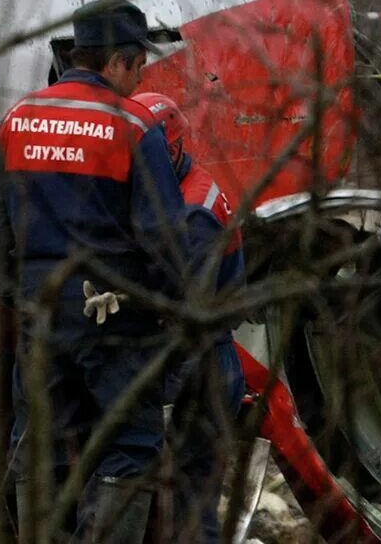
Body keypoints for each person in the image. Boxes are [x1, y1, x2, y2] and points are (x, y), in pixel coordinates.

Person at [0, 0, 188, 543]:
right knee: (133, 444)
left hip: (39, 308)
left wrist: (16, 294)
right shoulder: (134, 126)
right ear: (117, 62)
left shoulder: (19, 119)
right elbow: (162, 234)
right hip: (114, 313)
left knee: (39, 439)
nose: (142, 75)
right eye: (139, 63)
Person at [132, 91, 246, 542]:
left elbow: (186, 315)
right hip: (209, 360)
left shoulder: (192, 213)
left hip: (204, 364)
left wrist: (159, 389)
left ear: (171, 149)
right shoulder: (186, 191)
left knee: (191, 505)